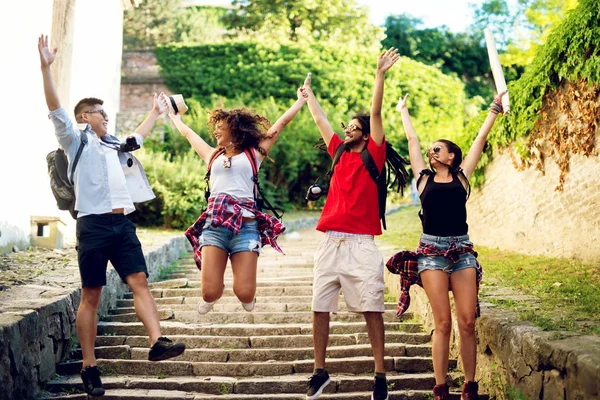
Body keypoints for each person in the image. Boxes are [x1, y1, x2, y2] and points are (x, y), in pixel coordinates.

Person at [38, 34, 186, 397]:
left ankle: (157, 342)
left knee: (139, 281)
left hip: (122, 224)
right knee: (92, 294)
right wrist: (46, 68)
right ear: (86, 117)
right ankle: (89, 366)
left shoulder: (113, 144)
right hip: (93, 224)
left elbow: (136, 137)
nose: (107, 115)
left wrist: (155, 112)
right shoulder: (76, 140)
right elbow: (57, 110)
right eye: (101, 112)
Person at [391, 90, 507, 400]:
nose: (431, 152)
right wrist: (403, 111)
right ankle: (440, 387)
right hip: (431, 254)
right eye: (430, 150)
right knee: (443, 323)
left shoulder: (462, 177)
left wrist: (493, 111)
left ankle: (470, 386)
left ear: (451, 156)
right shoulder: (423, 179)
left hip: (462, 252)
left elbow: (479, 142)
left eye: (437, 149)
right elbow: (412, 143)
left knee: (467, 322)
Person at [302, 48, 400, 400]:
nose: (347, 129)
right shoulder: (339, 152)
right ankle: (320, 371)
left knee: (372, 308)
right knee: (319, 305)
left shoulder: (373, 153)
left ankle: (380, 375)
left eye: (354, 127)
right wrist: (308, 96)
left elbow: (375, 111)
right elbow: (320, 120)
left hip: (361, 243)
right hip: (330, 241)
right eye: (347, 126)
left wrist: (380, 74)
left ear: (365, 134)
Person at [164, 86, 307, 315]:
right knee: (209, 292)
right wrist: (174, 117)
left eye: (220, 129)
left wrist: (300, 101)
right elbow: (189, 135)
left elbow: (278, 126)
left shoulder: (254, 153)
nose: (216, 133)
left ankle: (244, 293)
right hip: (215, 226)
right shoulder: (213, 155)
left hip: (246, 228)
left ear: (235, 131)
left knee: (245, 293)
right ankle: (213, 291)